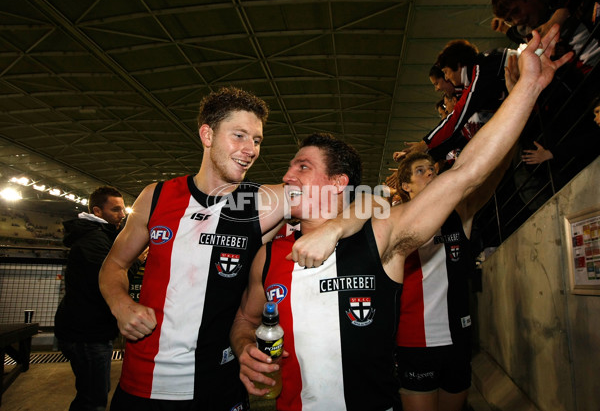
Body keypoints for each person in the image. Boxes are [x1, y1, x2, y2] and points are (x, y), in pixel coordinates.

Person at [230, 25, 572, 411]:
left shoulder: (381, 237)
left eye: (302, 167)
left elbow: (465, 175)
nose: (288, 176)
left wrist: (526, 88)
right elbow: (245, 319)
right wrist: (244, 348)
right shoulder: (270, 256)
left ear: (338, 182)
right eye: (290, 168)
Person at [99, 86, 364, 411]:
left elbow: (364, 198)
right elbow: (113, 264)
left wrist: (336, 228)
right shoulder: (155, 197)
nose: (250, 149)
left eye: (256, 140)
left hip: (220, 383)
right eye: (239, 136)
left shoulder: (259, 203)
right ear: (207, 134)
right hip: (145, 380)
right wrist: (120, 303)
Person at [394, 152, 509, 411]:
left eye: (431, 169)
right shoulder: (396, 222)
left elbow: (484, 183)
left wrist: (506, 151)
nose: (430, 173)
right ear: (405, 186)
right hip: (415, 342)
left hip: (458, 339)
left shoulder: (458, 215)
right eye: (420, 171)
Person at [54, 186, 126, 411]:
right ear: (97, 211)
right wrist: (136, 261)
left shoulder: (98, 236)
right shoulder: (93, 240)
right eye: (115, 210)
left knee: (93, 393)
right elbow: (111, 281)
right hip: (86, 334)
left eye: (123, 209)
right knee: (93, 400)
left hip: (88, 330)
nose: (122, 215)